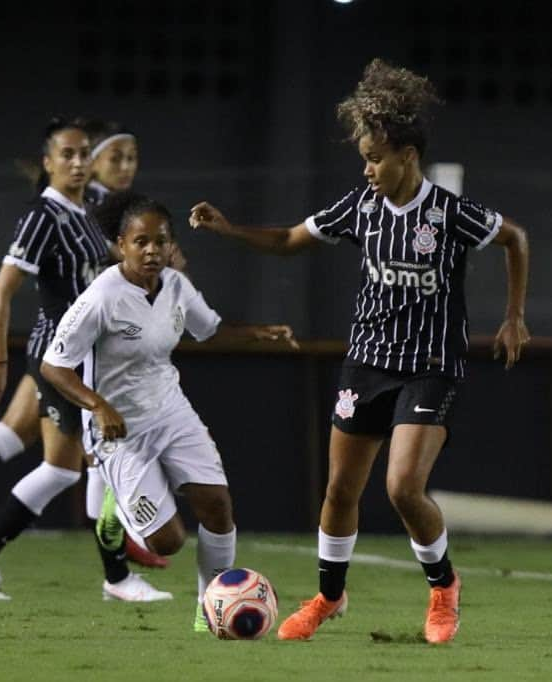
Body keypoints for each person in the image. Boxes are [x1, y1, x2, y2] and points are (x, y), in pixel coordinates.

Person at [189, 58, 530, 644]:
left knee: (401, 488)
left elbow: (514, 238)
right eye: (363, 159)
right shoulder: (360, 208)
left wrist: (514, 317)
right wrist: (230, 230)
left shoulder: (447, 214)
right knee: (340, 490)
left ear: (406, 155)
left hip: (429, 366)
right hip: (367, 362)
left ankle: (443, 590)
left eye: (375, 157)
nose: (367, 169)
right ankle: (328, 596)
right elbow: (292, 240)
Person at [0, 119, 169, 586]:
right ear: (50, 163)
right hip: (60, 353)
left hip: (82, 350)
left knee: (21, 437)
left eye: (87, 154)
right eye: (78, 155)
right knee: (86, 459)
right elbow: (2, 290)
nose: (84, 163)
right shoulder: (47, 215)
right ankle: (111, 562)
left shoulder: (93, 208)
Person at [40, 196, 297, 630]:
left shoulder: (176, 286)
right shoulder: (102, 296)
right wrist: (98, 406)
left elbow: (209, 331)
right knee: (167, 542)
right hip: (118, 428)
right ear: (121, 245)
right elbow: (54, 365)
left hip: (171, 411)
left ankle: (210, 609)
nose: (151, 250)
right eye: (140, 241)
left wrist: (257, 333)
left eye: (160, 241)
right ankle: (115, 511)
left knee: (217, 504)